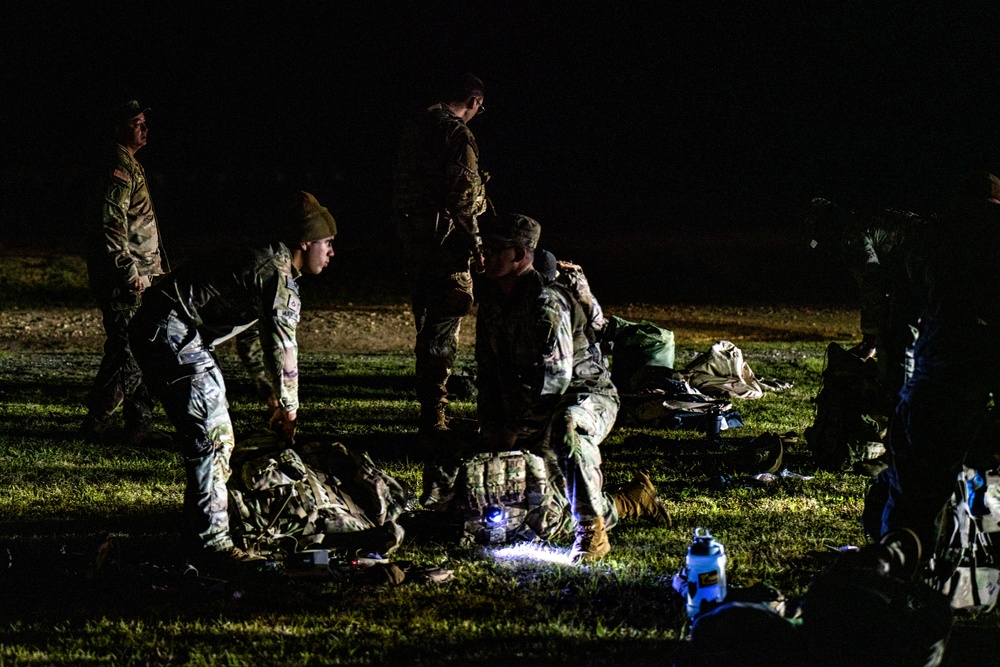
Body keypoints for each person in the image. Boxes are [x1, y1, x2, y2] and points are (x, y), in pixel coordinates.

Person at [129, 191, 337, 571]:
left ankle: (207, 529)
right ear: (305, 242)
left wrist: (270, 397)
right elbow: (282, 347)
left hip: (167, 329)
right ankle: (212, 545)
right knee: (212, 434)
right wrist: (289, 408)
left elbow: (249, 338)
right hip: (172, 330)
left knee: (212, 430)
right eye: (327, 243)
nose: (331, 253)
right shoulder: (274, 272)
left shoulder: (271, 262)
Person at [475, 213, 669, 562]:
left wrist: (514, 430)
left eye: (493, 249)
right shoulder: (491, 302)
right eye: (482, 247)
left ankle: (592, 530)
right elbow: (488, 373)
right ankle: (631, 502)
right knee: (545, 518)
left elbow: (556, 380)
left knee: (569, 426)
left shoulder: (547, 303)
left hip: (585, 396)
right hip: (533, 410)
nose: (482, 256)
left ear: (519, 256)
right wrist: (490, 428)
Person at [880, 172, 1000, 564]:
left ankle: (902, 552)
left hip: (945, 359)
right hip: (971, 360)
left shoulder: (934, 237)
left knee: (918, 472)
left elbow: (902, 310)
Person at [391, 72, 489, 444]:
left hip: (416, 245)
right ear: (474, 101)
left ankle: (430, 412)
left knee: (426, 327)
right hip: (447, 249)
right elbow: (464, 198)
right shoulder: (456, 135)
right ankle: (435, 418)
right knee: (444, 330)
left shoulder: (418, 127)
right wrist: (477, 243)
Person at [80, 100, 169, 444]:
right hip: (127, 279)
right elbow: (110, 222)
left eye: (145, 122)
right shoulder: (118, 166)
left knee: (142, 349)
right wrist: (126, 269)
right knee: (128, 351)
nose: (144, 128)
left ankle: (138, 423)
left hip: (144, 277)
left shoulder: (130, 165)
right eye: (136, 122)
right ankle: (97, 421)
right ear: (117, 128)